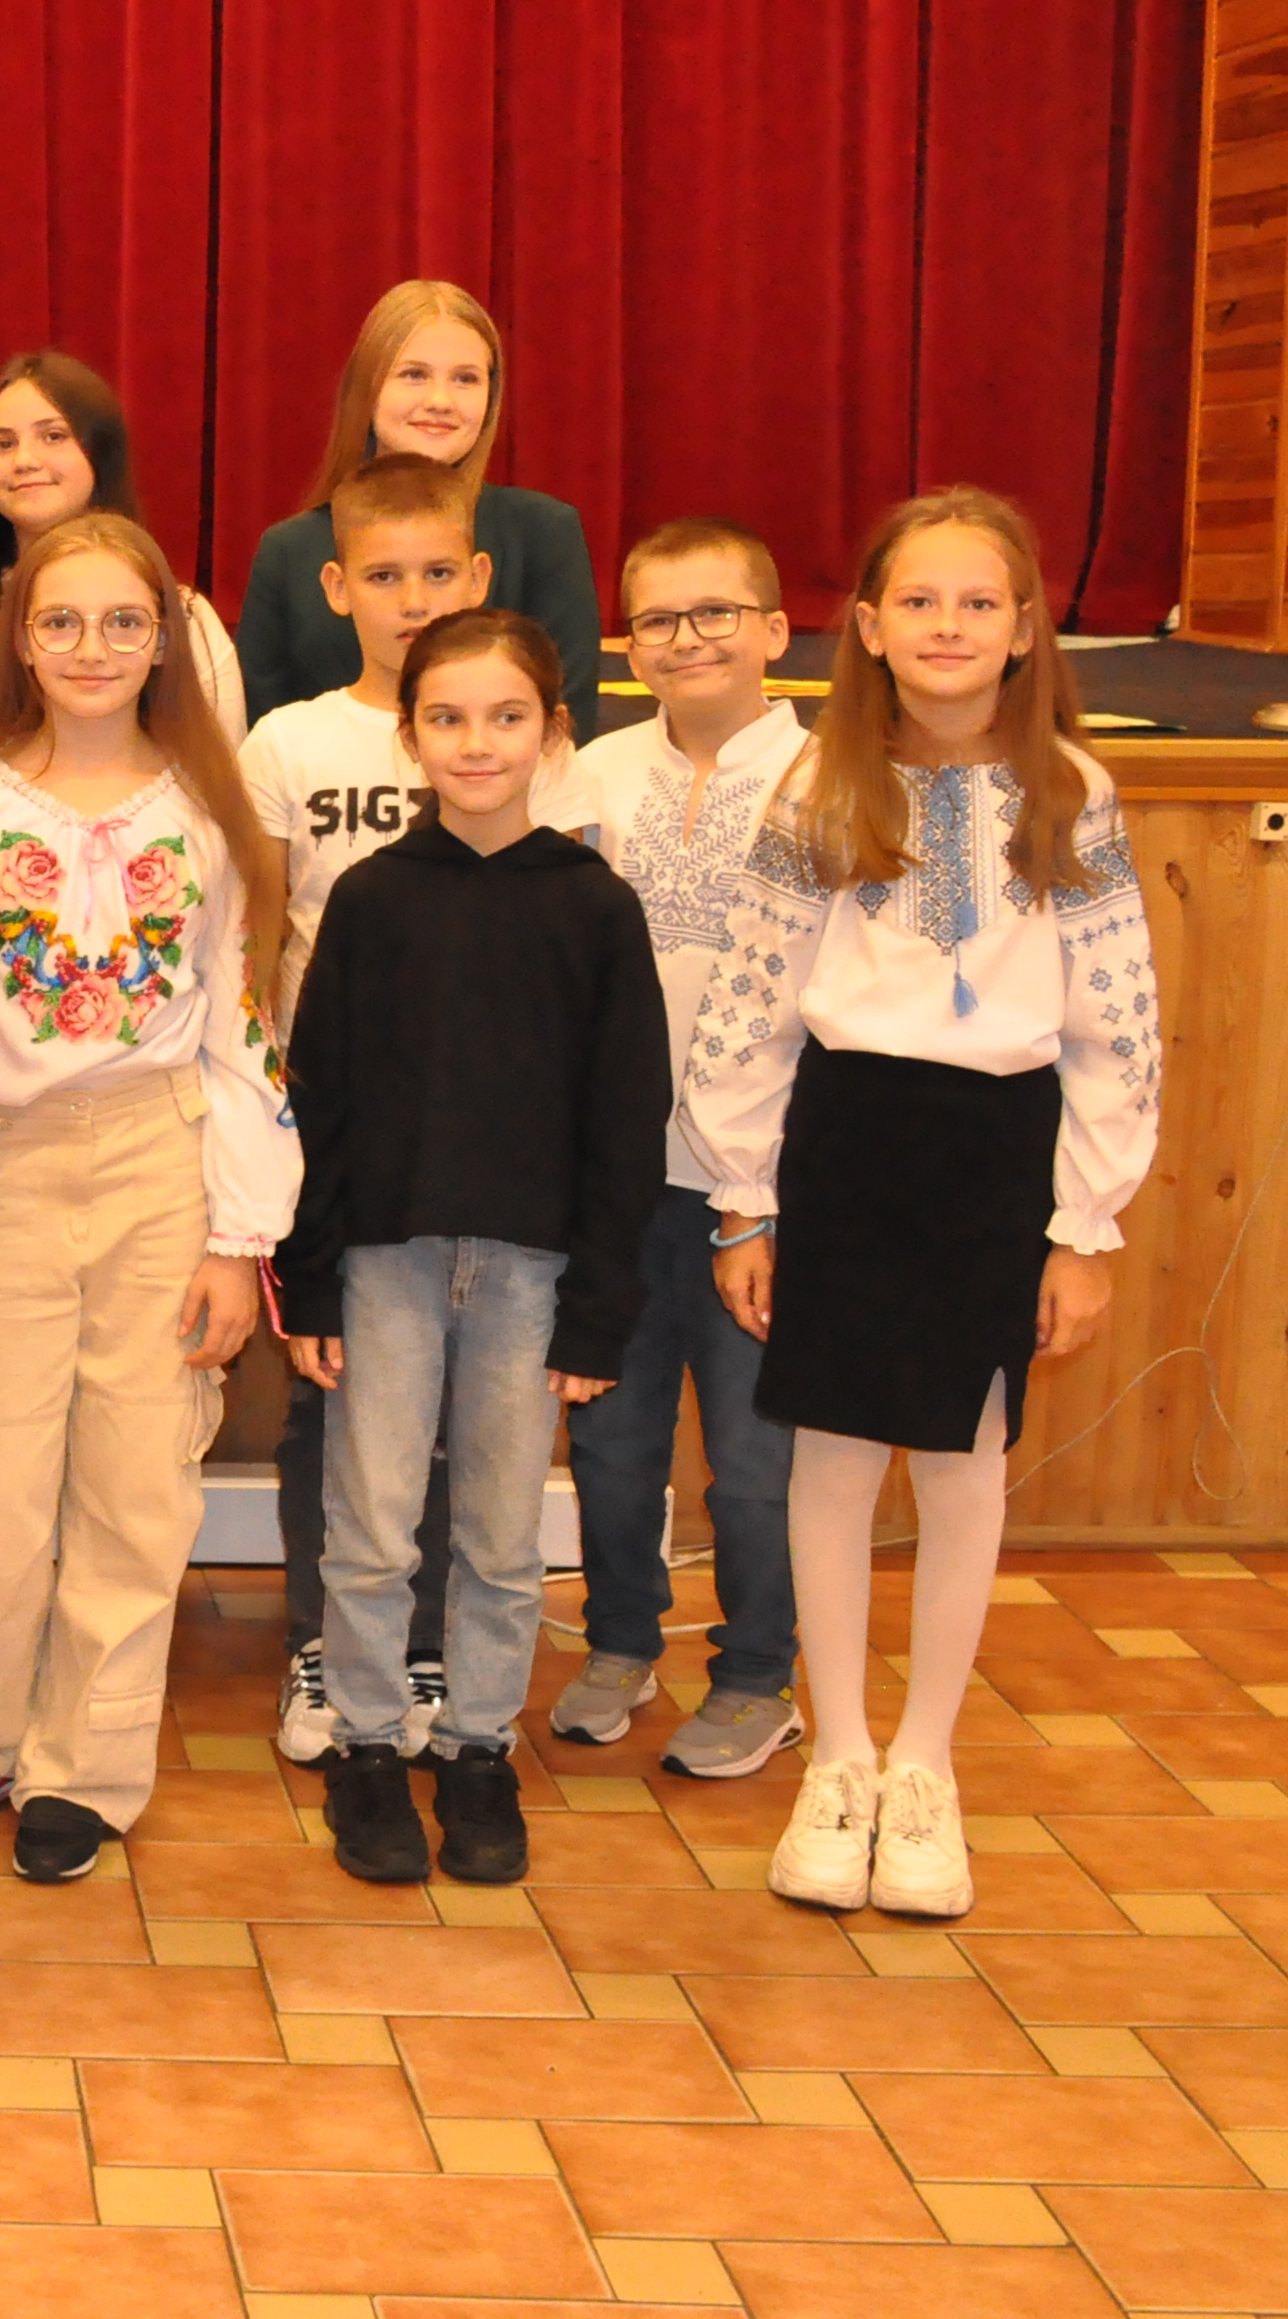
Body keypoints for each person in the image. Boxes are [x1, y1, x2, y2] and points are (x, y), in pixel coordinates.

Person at [692, 490, 1160, 1926]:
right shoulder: (820, 789)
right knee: (832, 1456)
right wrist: (744, 1199)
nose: (947, 625)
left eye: (977, 601)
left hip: (994, 1151)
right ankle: (837, 1757)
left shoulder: (1071, 792)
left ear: (1023, 629)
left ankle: (924, 1767)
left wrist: (1082, 1226)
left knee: (964, 1460)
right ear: (869, 626)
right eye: (918, 601)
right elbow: (750, 998)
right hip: (847, 1138)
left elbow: (1118, 1018)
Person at [0, 514, 292, 1883]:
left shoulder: (206, 812)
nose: (91, 648)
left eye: (125, 622)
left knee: (135, 1485)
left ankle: (87, 1761)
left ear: (165, 640)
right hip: (3, 1165)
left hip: (157, 1161)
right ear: (17, 638)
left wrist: (236, 1241)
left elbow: (242, 1029)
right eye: (60, 621)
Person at [279, 607, 667, 1890]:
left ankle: (479, 1748)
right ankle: (368, 1745)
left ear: (553, 733)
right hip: (384, 1261)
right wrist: (310, 1275)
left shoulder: (594, 906)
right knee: (372, 1527)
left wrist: (601, 1304)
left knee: (500, 1536)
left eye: (505, 717)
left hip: (530, 1272)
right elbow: (320, 1098)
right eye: (445, 717)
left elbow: (625, 1114)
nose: (475, 742)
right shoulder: (371, 898)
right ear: (410, 736)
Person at [239, 451, 603, 1757]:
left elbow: (569, 958)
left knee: (476, 1433)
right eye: (384, 576)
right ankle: (326, 1650)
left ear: (480, 574)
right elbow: (261, 931)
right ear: (337, 587)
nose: (412, 598)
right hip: (339, 1125)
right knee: (334, 1407)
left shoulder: (540, 757)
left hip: (496, 1142)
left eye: (438, 572)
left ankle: (439, 1657)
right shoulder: (289, 742)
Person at [552, 517, 809, 1778]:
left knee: (756, 1462)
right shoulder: (592, 775)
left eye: (716, 613)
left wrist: (763, 1193)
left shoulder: (830, 781)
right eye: (656, 618)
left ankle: (758, 1672)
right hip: (619, 1179)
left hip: (772, 1186)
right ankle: (618, 1640)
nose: (686, 639)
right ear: (626, 644)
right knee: (612, 1440)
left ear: (775, 630)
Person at [0, 352, 244, 847]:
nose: (24, 460)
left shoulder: (179, 617)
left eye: (54, 436)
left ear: (100, 454)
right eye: (2, 444)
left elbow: (221, 798)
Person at [234, 282, 604, 732]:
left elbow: (567, 726)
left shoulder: (545, 533)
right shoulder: (288, 550)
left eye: (466, 378)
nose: (440, 401)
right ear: (367, 387)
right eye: (414, 374)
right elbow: (260, 733)